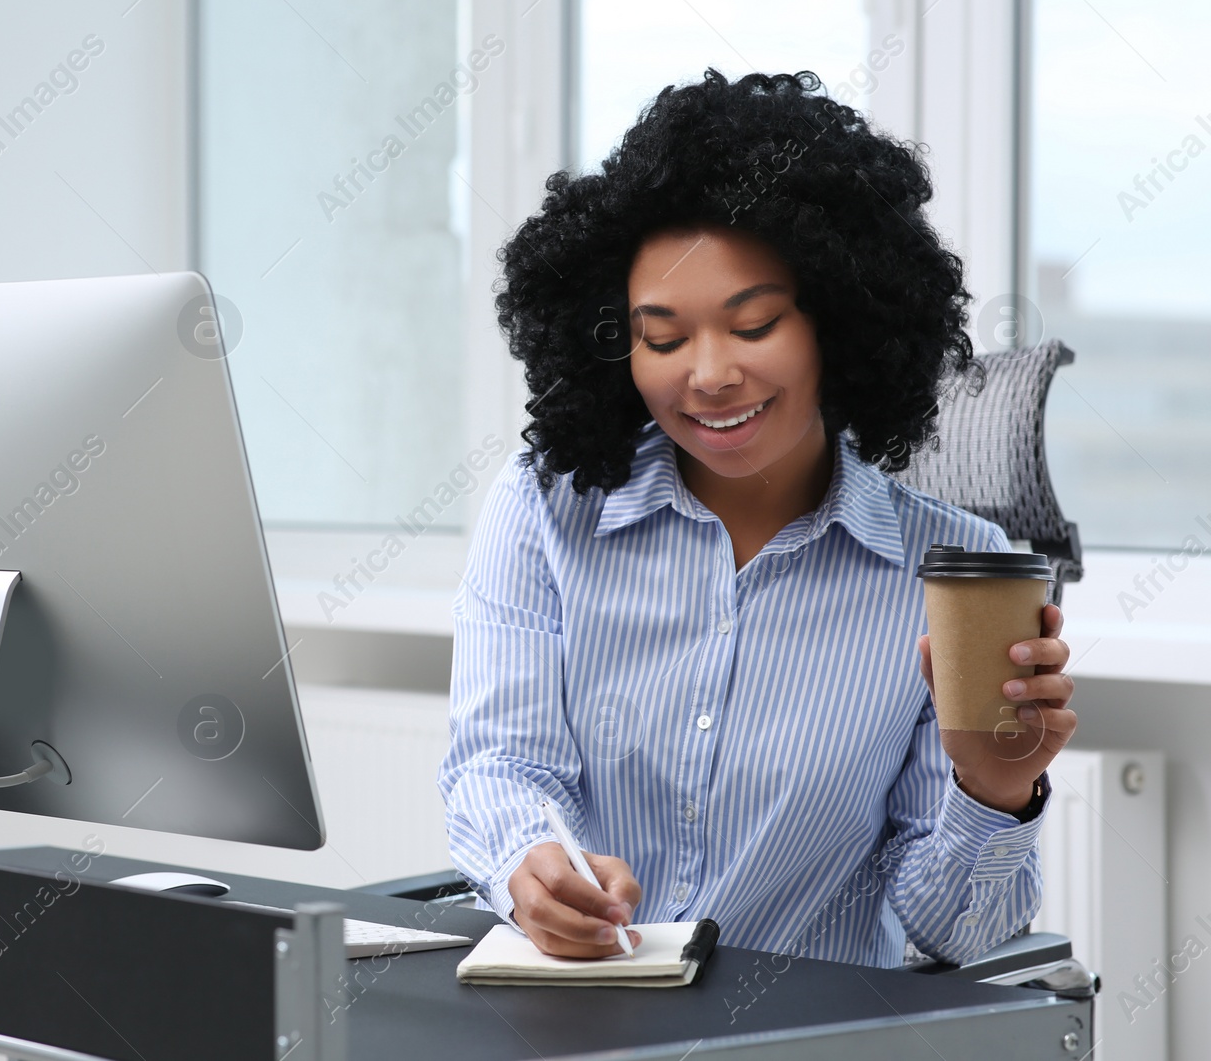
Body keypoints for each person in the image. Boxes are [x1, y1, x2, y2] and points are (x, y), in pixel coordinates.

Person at [438, 69, 1076, 967]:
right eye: (662, 338)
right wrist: (531, 865)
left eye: (755, 323)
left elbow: (952, 932)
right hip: (577, 1026)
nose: (707, 374)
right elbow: (501, 764)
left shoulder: (961, 567)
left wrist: (996, 790)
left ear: (840, 323)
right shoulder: (548, 505)